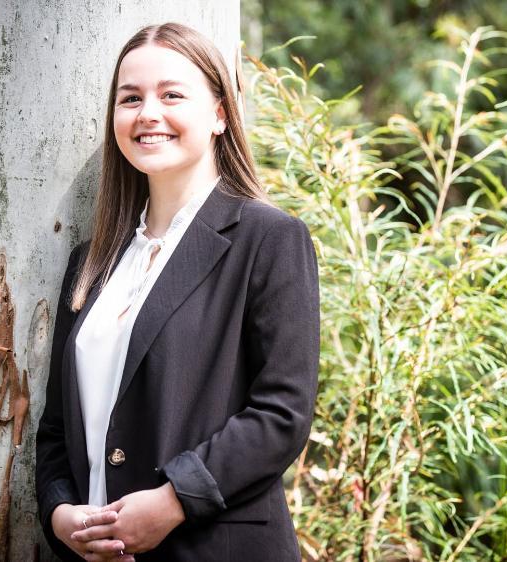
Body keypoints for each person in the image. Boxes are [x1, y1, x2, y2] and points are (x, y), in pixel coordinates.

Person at [34, 22, 320, 562]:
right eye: (130, 98)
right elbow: (55, 432)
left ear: (218, 114)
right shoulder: (90, 263)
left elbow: (283, 413)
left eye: (171, 95)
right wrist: (61, 515)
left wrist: (173, 501)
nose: (147, 113)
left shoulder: (269, 239)